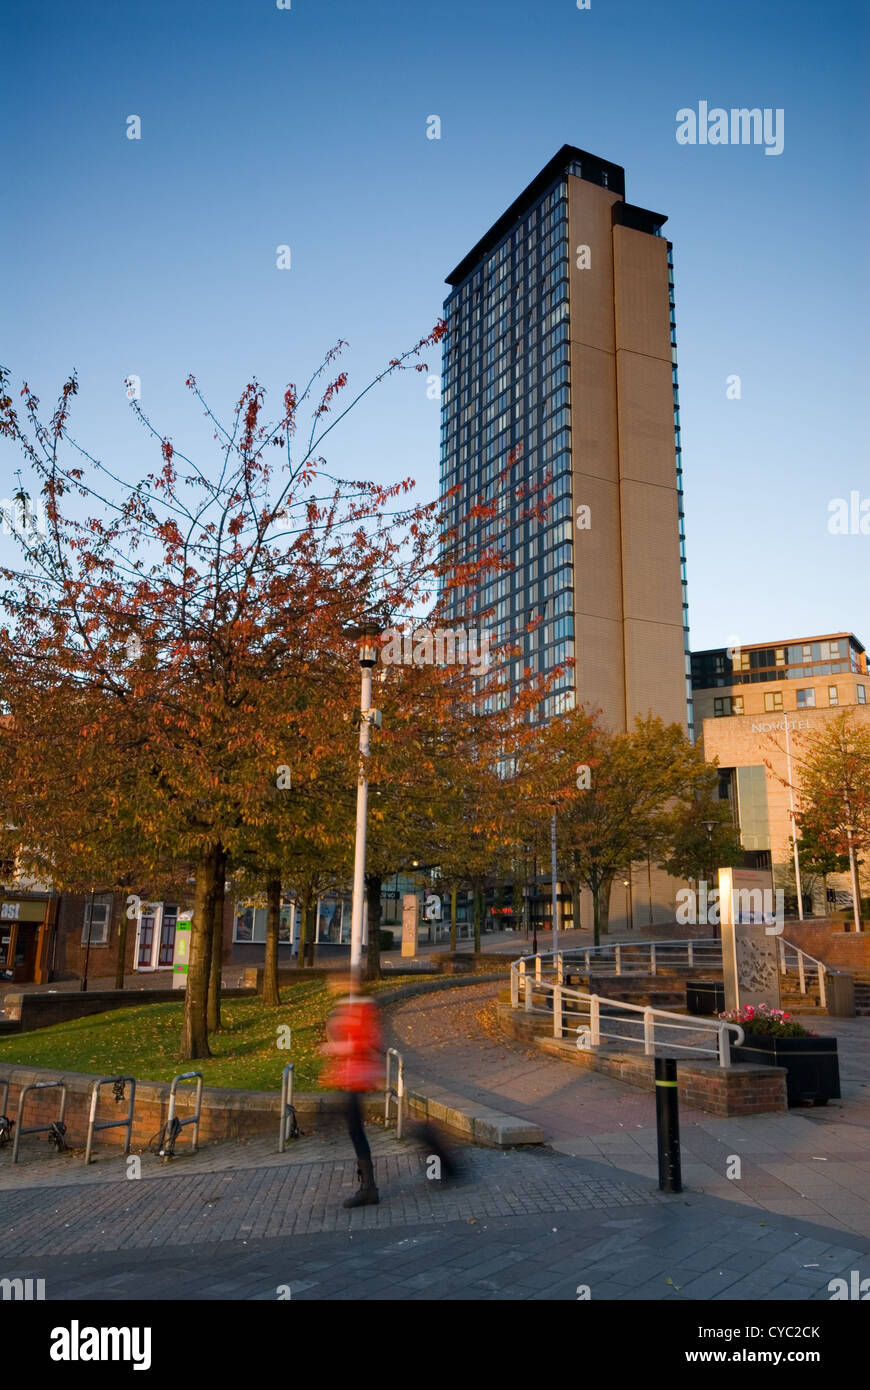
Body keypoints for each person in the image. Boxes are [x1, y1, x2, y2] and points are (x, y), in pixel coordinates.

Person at [320, 973, 385, 1207]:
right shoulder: (352, 1007)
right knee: (354, 1128)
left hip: (359, 1077)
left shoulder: (362, 1009)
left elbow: (364, 1042)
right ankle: (368, 1185)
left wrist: (335, 1047)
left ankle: (369, 1187)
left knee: (355, 1129)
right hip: (352, 1077)